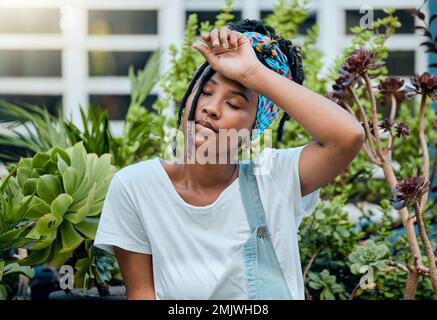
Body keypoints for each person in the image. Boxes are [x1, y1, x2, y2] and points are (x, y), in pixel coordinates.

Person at [93, 19, 365, 300]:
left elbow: (348, 137)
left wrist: (252, 72)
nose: (211, 108)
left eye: (234, 104)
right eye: (206, 92)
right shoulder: (136, 187)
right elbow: (141, 294)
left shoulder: (274, 179)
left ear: (252, 129)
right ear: (188, 98)